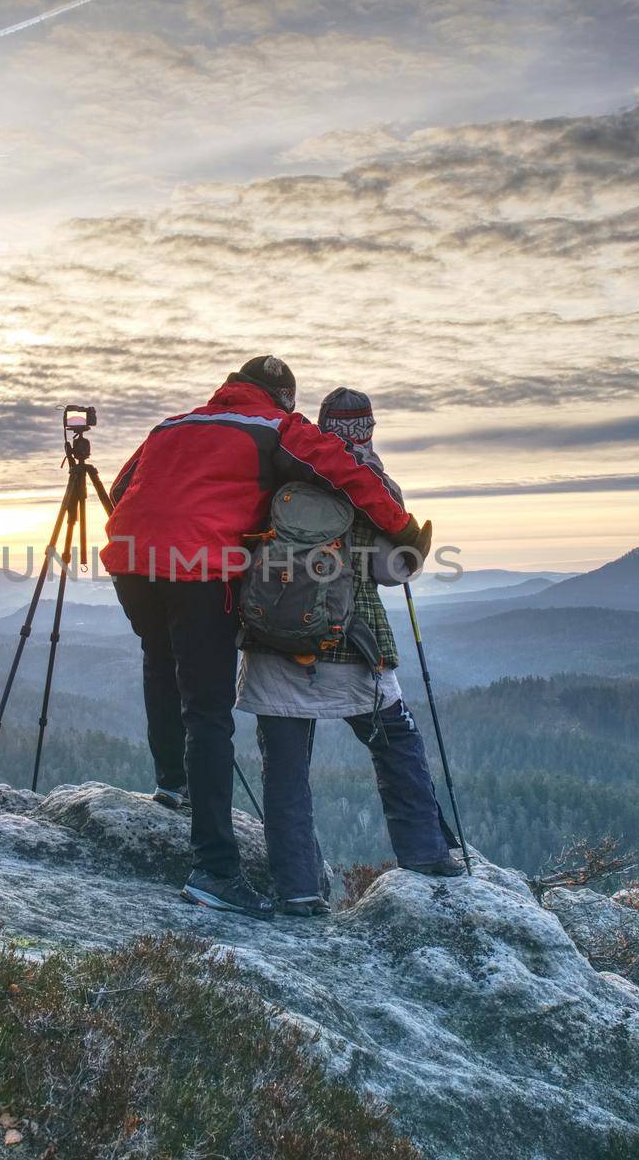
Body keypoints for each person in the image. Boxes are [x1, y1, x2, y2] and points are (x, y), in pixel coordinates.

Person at [101, 358, 430, 919]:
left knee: (160, 657)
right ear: (283, 398)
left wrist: (154, 534)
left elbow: (123, 485)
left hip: (133, 559)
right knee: (208, 711)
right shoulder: (278, 427)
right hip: (200, 568)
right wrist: (403, 531)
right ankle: (215, 871)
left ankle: (171, 783)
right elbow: (347, 474)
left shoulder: (172, 425)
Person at [237, 386, 462, 917]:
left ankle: (296, 890)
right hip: (352, 647)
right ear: (367, 430)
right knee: (396, 745)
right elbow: (393, 569)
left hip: (273, 648)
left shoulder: (281, 476)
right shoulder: (371, 484)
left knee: (286, 772)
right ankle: (425, 856)